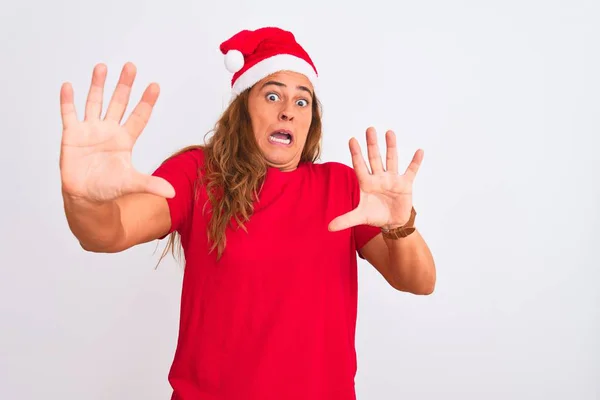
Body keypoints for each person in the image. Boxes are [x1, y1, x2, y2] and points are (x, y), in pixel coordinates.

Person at [59, 26, 436, 400]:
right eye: (272, 96)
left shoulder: (341, 186)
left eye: (302, 101)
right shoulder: (197, 175)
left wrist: (399, 225)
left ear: (311, 122)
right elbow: (106, 234)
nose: (288, 111)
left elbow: (419, 281)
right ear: (243, 109)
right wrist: (84, 199)